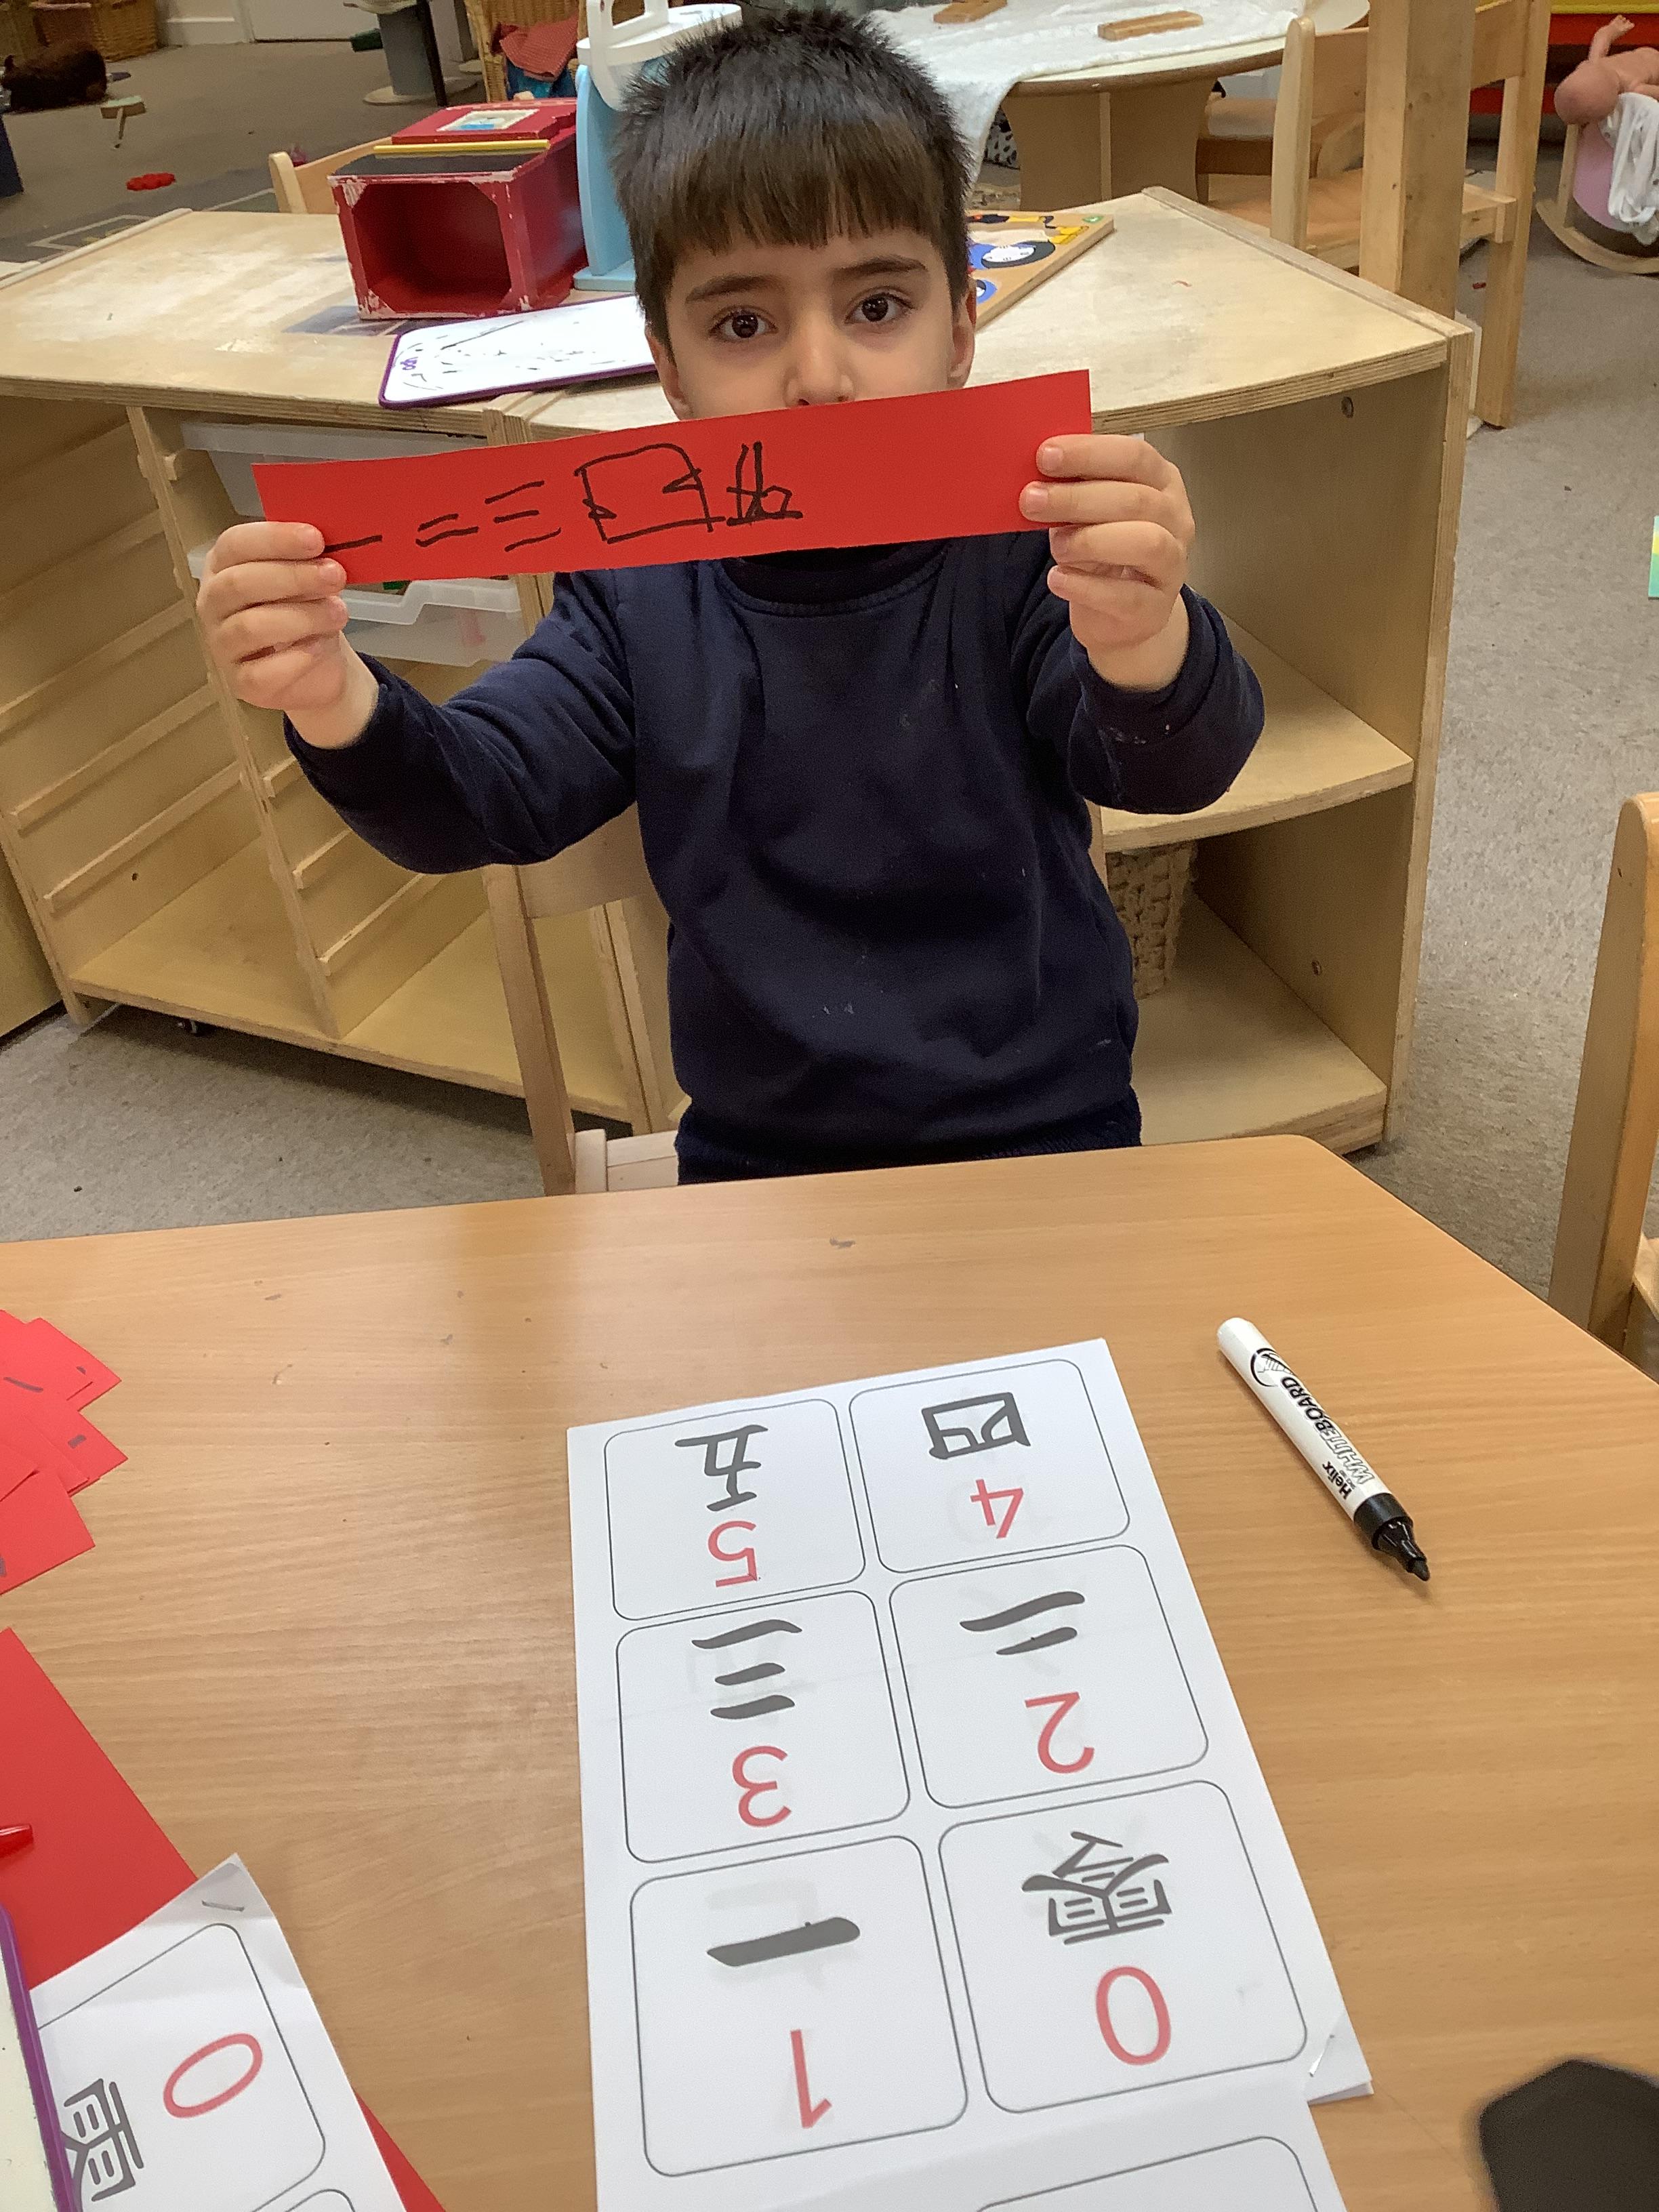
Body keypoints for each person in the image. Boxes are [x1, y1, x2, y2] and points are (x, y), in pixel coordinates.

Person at [196, 9, 1263, 1184]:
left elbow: (1177, 770)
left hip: (1048, 1122)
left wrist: (1144, 635)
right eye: (743, 324)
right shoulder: (635, 586)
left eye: (876, 307)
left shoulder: (1024, 545)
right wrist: (333, 695)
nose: (819, 377)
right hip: (761, 1152)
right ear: (669, 369)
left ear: (961, 329)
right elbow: (481, 798)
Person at [1555, 12, 1659, 127]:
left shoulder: (1635, 89)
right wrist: (1613, 28)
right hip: (1644, 52)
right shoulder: (1595, 62)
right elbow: (1602, 37)